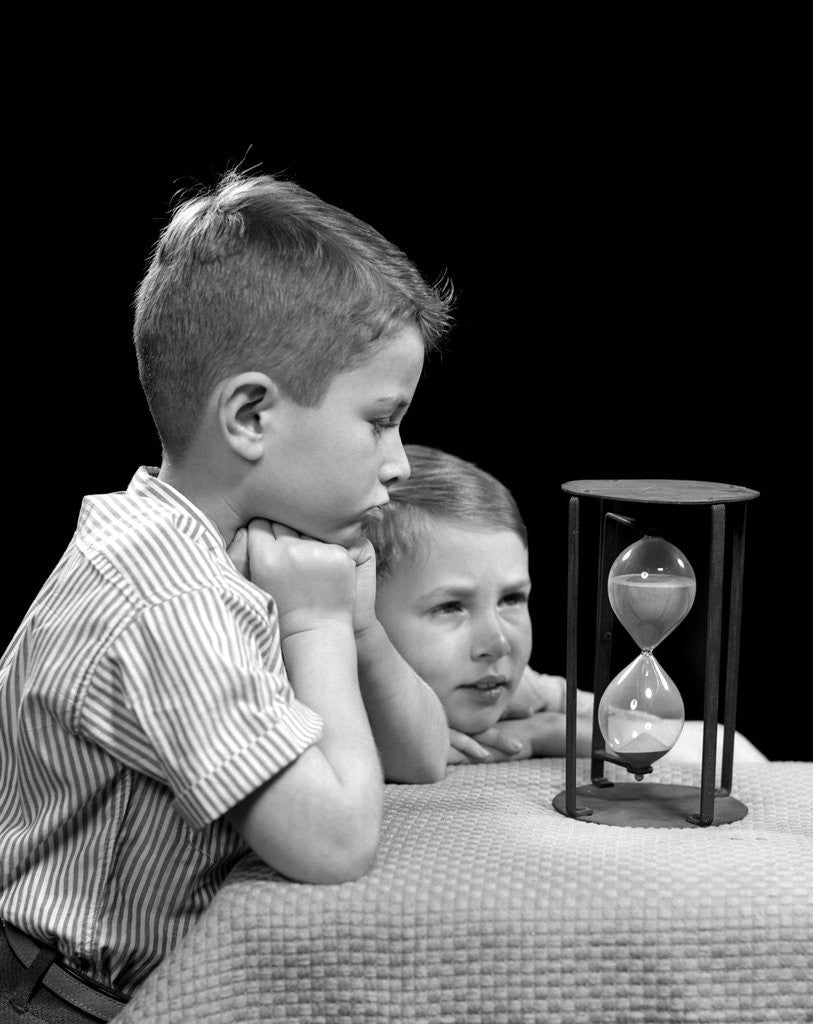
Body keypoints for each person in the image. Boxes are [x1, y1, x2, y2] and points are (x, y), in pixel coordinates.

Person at [0, 172, 452, 1020]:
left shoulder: (234, 554)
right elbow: (335, 844)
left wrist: (358, 629)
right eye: (380, 419)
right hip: (63, 1002)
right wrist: (316, 626)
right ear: (250, 415)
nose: (398, 461)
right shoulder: (171, 601)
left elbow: (421, 760)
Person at [366, 444, 768, 767]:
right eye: (451, 606)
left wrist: (547, 731)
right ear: (360, 609)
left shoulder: (510, 684)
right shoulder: (329, 696)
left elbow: (703, 744)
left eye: (511, 599)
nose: (498, 642)